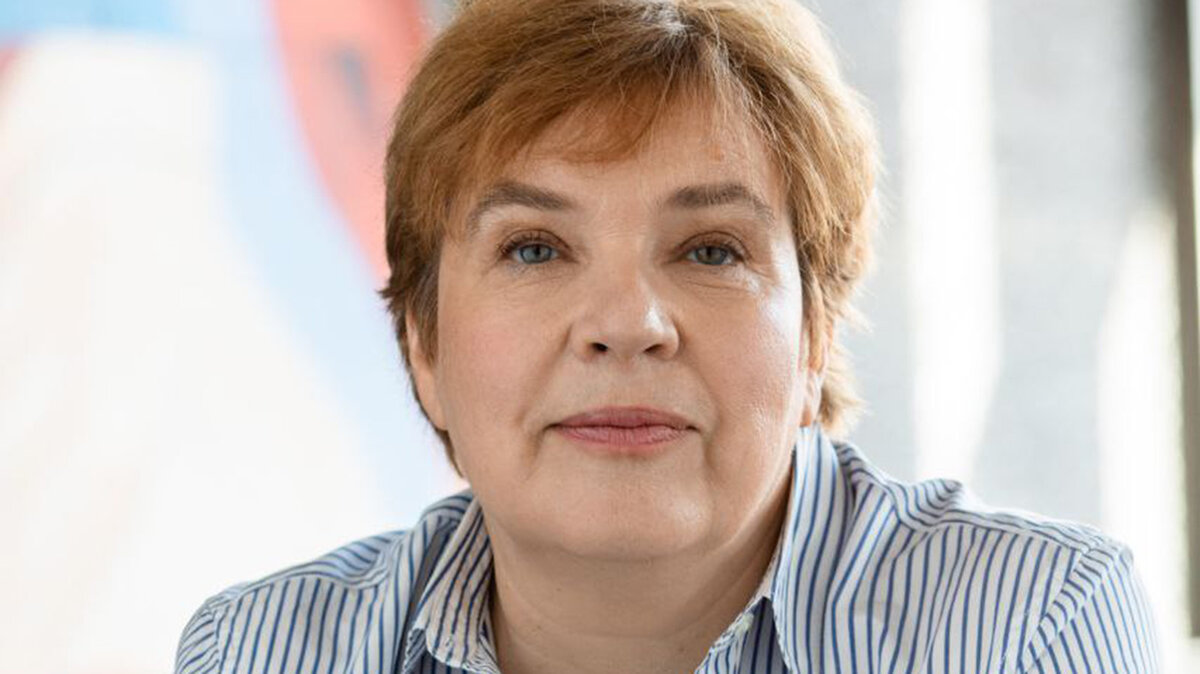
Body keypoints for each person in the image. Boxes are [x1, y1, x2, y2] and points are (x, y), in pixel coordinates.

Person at [174, 0, 1160, 672]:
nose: (626, 325)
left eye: (711, 250)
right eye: (534, 249)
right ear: (423, 344)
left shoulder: (1027, 628)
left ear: (815, 329)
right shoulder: (261, 651)